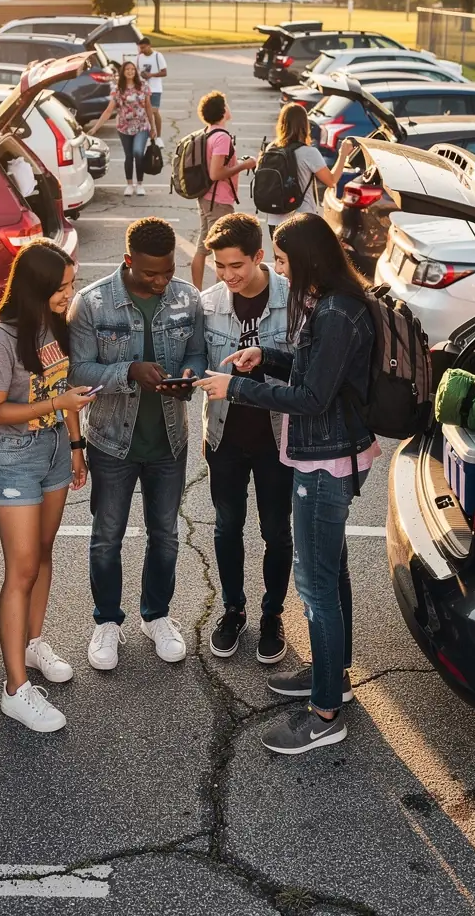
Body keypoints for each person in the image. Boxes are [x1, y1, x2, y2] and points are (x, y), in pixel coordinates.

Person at [195, 213, 380, 756]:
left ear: (307, 262)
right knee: (333, 571)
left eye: (281, 261)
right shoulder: (333, 304)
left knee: (317, 587)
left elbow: (311, 399)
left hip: (326, 460)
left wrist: (238, 386)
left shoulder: (338, 311)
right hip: (328, 453)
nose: (277, 270)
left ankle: (325, 713)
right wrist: (269, 356)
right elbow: (313, 367)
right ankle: (333, 676)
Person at [0, 240, 98, 734]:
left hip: (52, 453)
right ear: (38, 287)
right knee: (20, 569)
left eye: (72, 285)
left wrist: (76, 444)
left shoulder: (55, 326)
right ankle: (15, 690)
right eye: (63, 288)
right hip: (13, 456)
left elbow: (62, 388)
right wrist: (57, 406)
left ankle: (33, 643)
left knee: (44, 553)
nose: (71, 294)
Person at [68, 218, 204, 672]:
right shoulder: (91, 303)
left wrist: (188, 379)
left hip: (169, 440)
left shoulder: (187, 298)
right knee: (107, 538)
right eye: (151, 274)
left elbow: (197, 354)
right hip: (111, 442)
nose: (162, 281)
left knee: (164, 536)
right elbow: (77, 371)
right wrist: (127, 371)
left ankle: (157, 616)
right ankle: (107, 621)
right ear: (128, 262)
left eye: (167, 271)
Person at [200, 212, 293, 664]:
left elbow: (303, 371)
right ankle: (232, 610)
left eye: (236, 265)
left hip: (278, 438)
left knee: (276, 530)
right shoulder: (209, 303)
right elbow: (196, 360)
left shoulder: (293, 301)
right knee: (226, 526)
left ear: (259, 256)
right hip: (224, 437)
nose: (228, 275)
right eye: (220, 265)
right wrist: (187, 374)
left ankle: (272, 614)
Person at [191, 90, 256, 291]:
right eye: (226, 104)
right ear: (221, 111)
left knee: (203, 247)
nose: (229, 108)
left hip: (206, 197)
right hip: (218, 200)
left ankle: (198, 292)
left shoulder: (207, 132)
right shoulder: (222, 138)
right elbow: (216, 172)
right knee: (223, 249)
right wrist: (244, 165)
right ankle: (219, 295)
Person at [264, 103, 352, 239]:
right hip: (301, 219)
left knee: (282, 259)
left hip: (275, 220)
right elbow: (331, 181)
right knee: (302, 260)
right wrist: (343, 154)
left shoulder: (271, 149)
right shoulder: (308, 152)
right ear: (304, 125)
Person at [90, 61, 156, 197]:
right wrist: (95, 128)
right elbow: (109, 110)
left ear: (136, 71)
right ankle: (129, 184)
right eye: (127, 69)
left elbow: (149, 107)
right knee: (129, 156)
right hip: (124, 127)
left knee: (138, 153)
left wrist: (153, 127)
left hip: (141, 125)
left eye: (133, 69)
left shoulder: (143, 86)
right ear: (123, 72)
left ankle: (140, 184)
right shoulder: (117, 89)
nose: (130, 71)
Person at [137, 37, 167, 139]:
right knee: (145, 112)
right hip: (143, 89)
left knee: (154, 111)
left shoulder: (158, 56)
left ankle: (158, 136)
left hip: (155, 88)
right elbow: (137, 71)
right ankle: (148, 134)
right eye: (140, 48)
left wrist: (151, 75)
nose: (142, 50)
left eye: (144, 48)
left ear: (149, 46)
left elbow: (164, 72)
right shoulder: (139, 57)